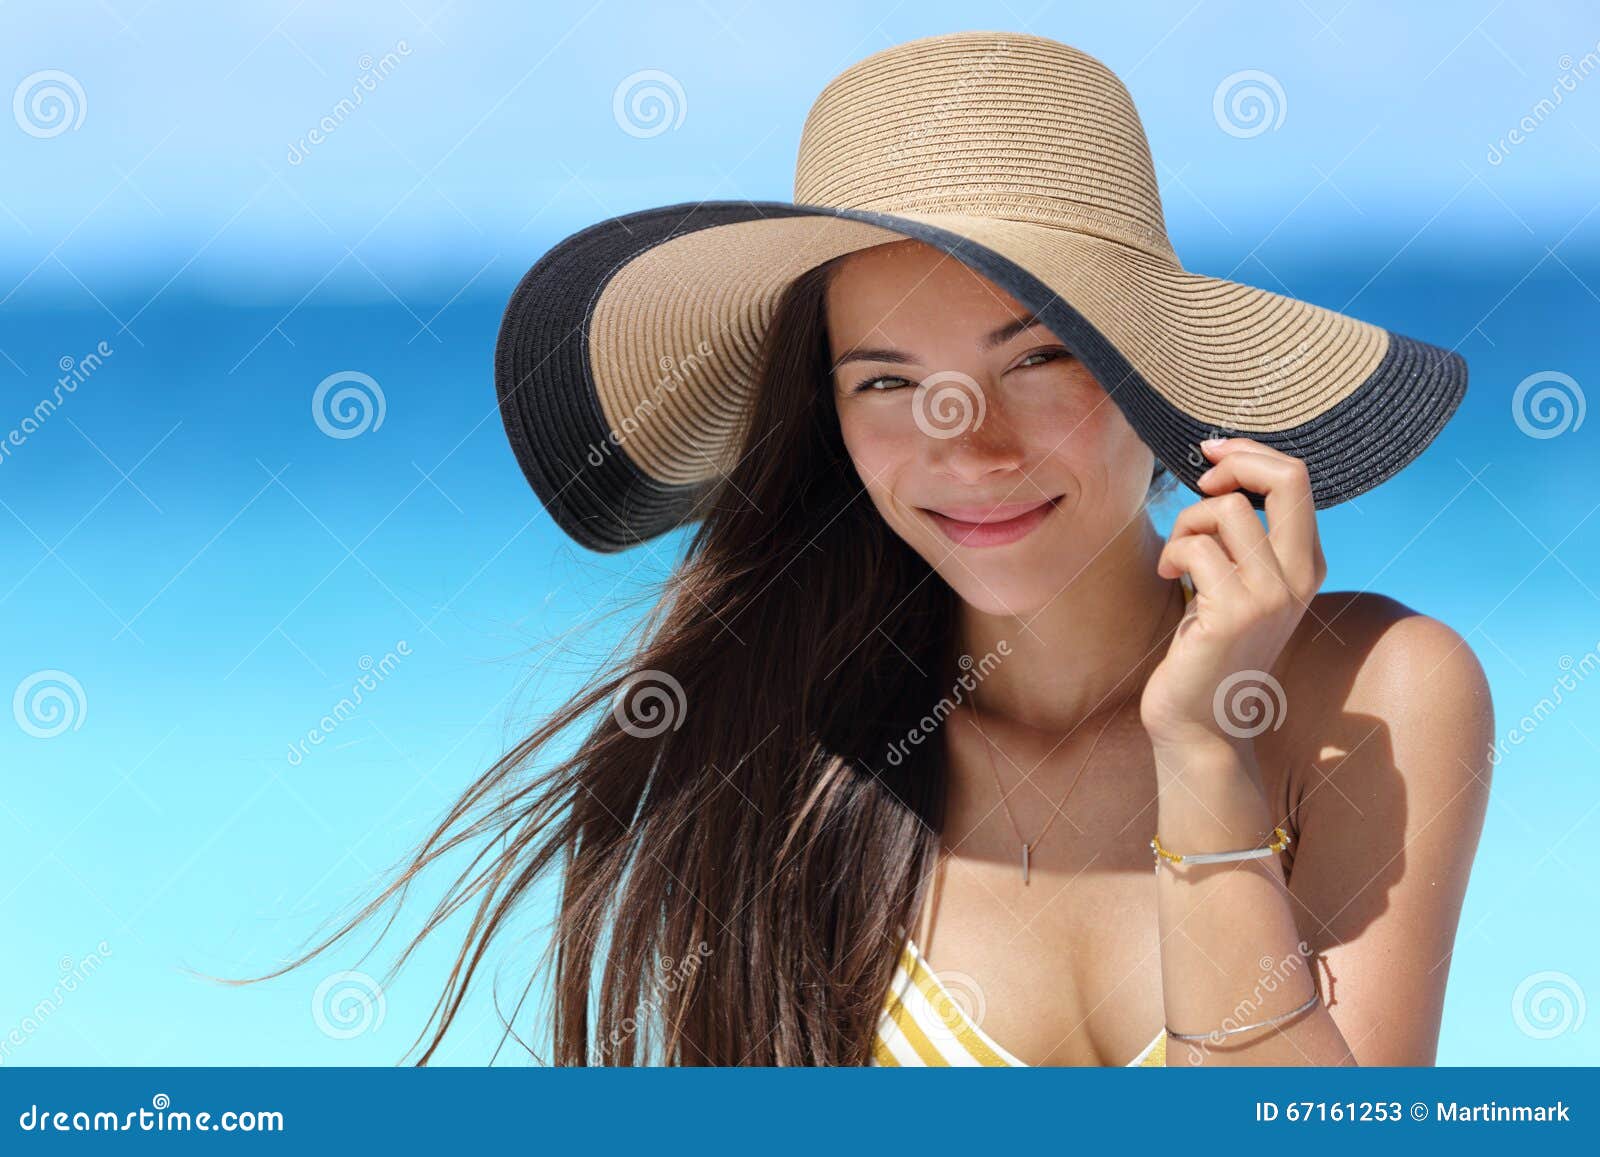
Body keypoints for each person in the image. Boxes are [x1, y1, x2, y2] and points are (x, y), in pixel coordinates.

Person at [254, 30, 1493, 1066]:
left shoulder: (1375, 695)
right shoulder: (788, 765)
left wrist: (1206, 748)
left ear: (1148, 372)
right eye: (889, 381)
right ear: (831, 419)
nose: (970, 444)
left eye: (1038, 358)